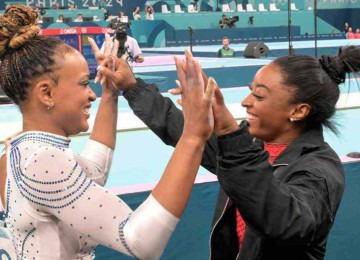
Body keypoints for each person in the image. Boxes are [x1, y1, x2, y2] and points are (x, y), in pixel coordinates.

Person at [94, 41, 360, 259]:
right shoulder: (252, 145)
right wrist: (132, 86)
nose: (246, 102)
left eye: (259, 95)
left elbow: (282, 220)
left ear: (299, 110)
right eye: (249, 91)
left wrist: (231, 135)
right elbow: (184, 131)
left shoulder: (320, 169)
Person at [0, 5, 216, 259]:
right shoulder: (42, 160)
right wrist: (192, 137)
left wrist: (111, 92)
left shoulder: (16, 152)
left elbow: (93, 172)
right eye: (83, 83)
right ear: (46, 93)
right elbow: (139, 241)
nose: (92, 93)